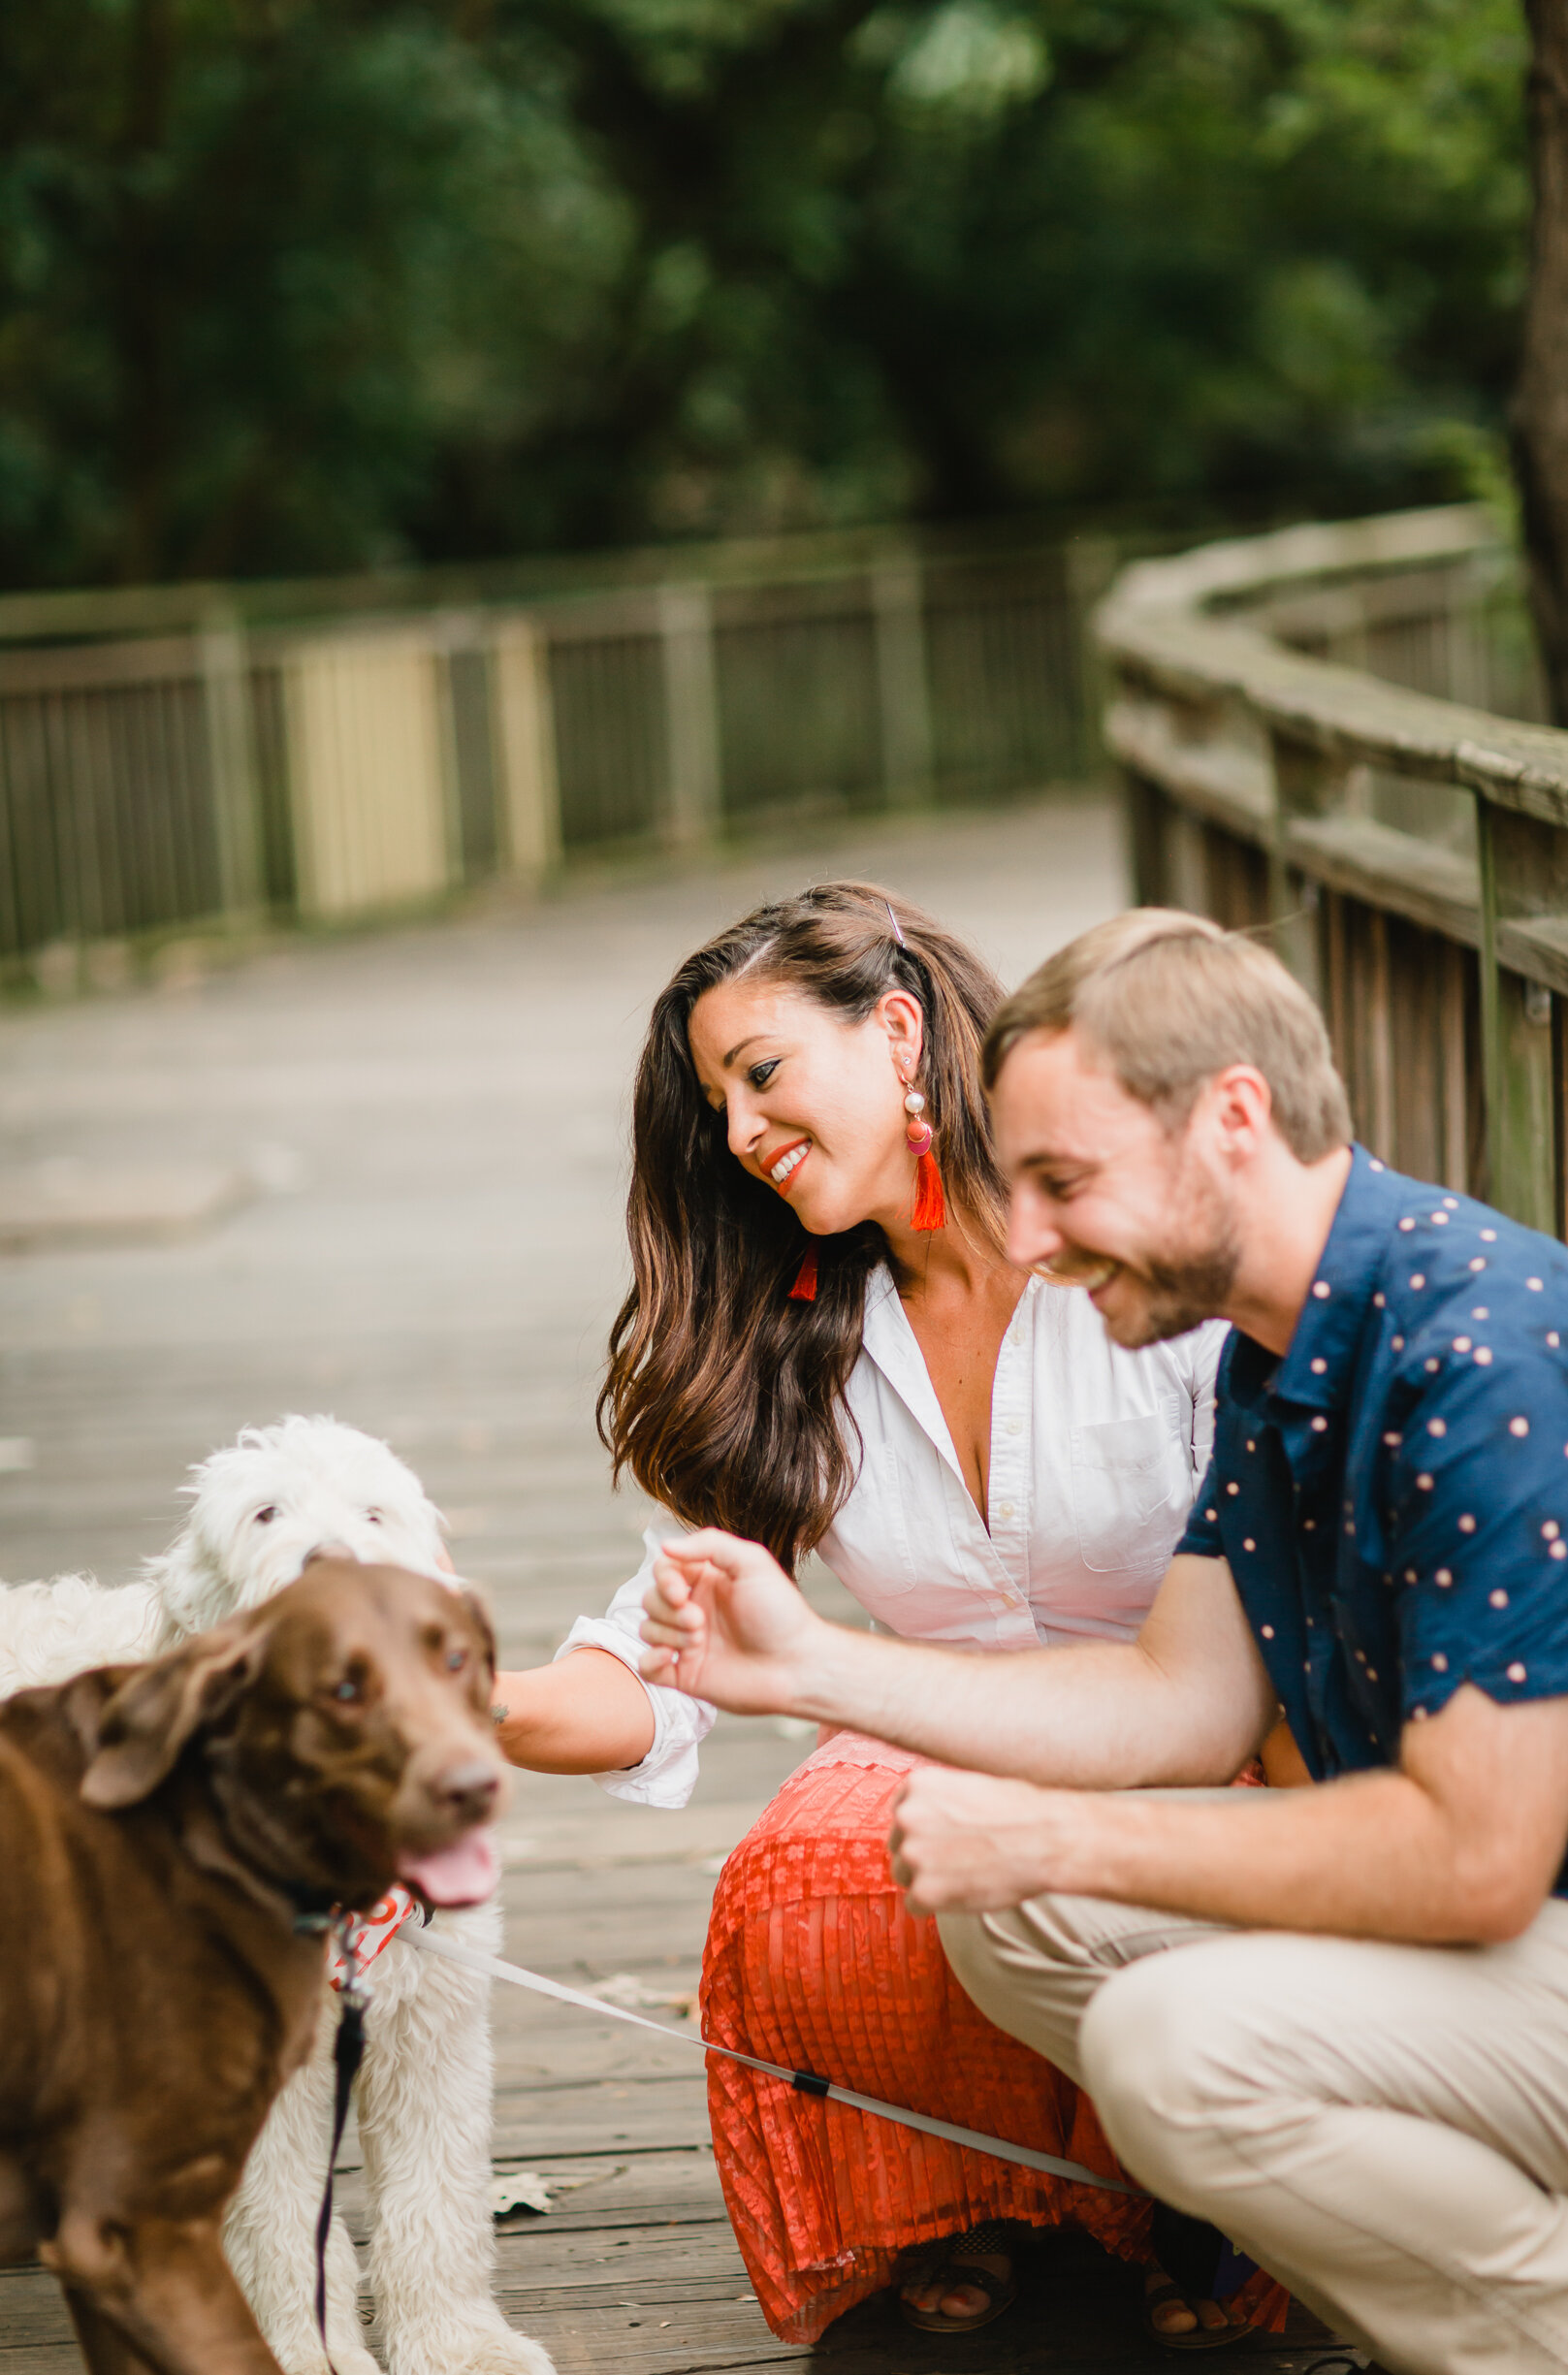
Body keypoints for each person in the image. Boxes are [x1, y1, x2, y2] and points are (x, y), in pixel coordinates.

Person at [637, 904, 1568, 2375]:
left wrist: (1067, 1842)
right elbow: (1177, 1702)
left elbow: (1476, 1858)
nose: (1032, 1235)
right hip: (1507, 1941)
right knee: (1005, 1914)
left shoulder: (1479, 1354)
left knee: (1165, 2048)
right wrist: (803, 1663)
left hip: (1527, 1929)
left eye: (1064, 1182)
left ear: (1232, 1122)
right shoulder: (1284, 1342)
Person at [487, 883, 1277, 2346]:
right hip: (948, 1741)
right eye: (715, 1102)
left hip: (1206, 1722)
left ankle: (1197, 2197)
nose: (736, 1132)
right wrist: (464, 1704)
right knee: (805, 1866)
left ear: (897, 1029)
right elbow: (658, 1664)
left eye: (762, 1071)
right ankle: (979, 2194)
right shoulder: (804, 1332)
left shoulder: (1121, 1243)